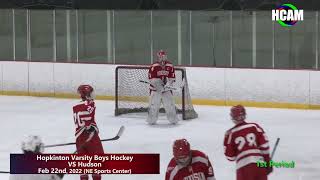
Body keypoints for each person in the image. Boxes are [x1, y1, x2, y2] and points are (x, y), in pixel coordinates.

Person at [223, 105, 273, 180]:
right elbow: (265, 146)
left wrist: (226, 139)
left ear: (232, 117)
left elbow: (230, 157)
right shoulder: (254, 126)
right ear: (244, 115)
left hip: (243, 168)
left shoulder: (231, 133)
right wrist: (268, 163)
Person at [73, 84, 104, 180]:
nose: (93, 95)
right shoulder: (90, 104)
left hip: (79, 138)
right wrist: (91, 128)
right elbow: (88, 122)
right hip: (90, 138)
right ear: (86, 95)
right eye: (91, 93)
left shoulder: (75, 106)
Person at [147, 50, 179, 125]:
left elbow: (172, 77)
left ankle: (173, 120)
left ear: (166, 56)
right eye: (160, 56)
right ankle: (151, 120)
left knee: (170, 105)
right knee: (154, 106)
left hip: (167, 90)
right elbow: (152, 78)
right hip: (155, 90)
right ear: (158, 57)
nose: (162, 58)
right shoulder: (154, 66)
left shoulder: (170, 65)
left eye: (163, 56)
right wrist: (159, 86)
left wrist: (168, 84)